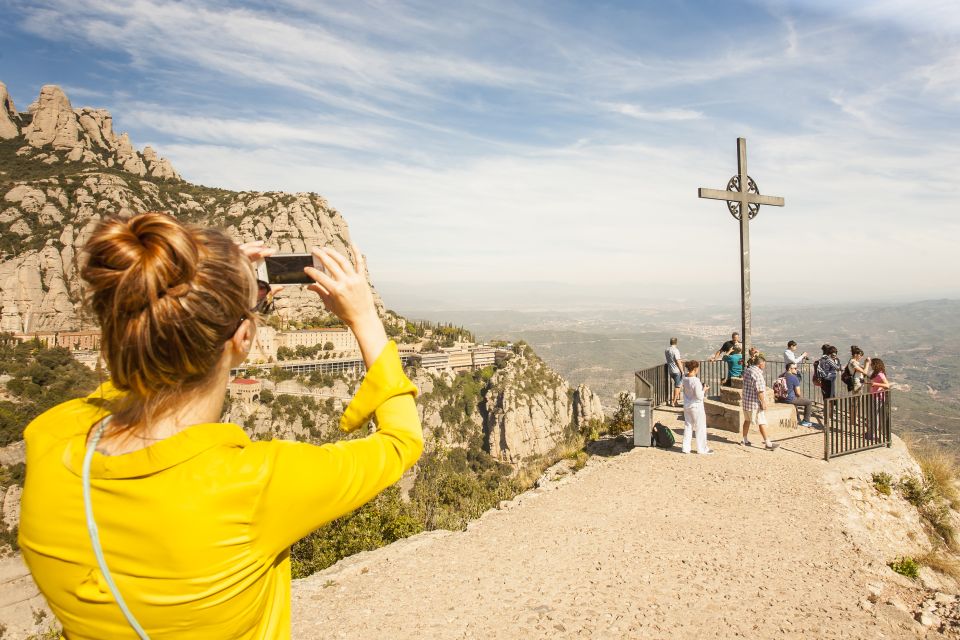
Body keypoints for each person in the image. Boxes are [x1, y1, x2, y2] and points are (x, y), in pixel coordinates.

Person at [18, 212, 424, 638]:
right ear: (243, 338)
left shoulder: (50, 437)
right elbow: (401, 441)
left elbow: (119, 386)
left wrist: (203, 289)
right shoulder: (251, 486)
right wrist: (364, 319)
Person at [741, 354, 780, 450]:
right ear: (760, 364)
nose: (764, 366)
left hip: (746, 401)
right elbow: (760, 390)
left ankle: (744, 439)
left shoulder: (748, 370)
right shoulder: (757, 374)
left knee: (747, 420)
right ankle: (768, 443)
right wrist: (763, 402)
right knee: (762, 422)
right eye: (764, 364)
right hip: (754, 402)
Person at [681, 360, 714, 455]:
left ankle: (685, 448)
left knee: (688, 426)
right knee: (700, 427)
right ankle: (702, 448)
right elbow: (699, 396)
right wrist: (704, 389)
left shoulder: (685, 378)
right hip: (696, 406)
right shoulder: (695, 380)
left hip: (687, 405)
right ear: (695, 369)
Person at [783, 362, 814, 427]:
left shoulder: (782, 375)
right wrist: (800, 397)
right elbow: (798, 393)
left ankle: (798, 417)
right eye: (795, 368)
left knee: (797, 400)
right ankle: (806, 421)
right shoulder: (794, 378)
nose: (796, 370)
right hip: (789, 399)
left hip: (781, 398)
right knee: (808, 402)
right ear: (789, 369)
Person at [665, 337, 684, 407]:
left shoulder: (667, 350)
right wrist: (682, 371)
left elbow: (671, 359)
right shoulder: (676, 350)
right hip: (676, 371)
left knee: (677, 385)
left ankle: (674, 401)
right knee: (678, 386)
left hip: (670, 370)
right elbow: (678, 361)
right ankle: (674, 402)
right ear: (676, 342)